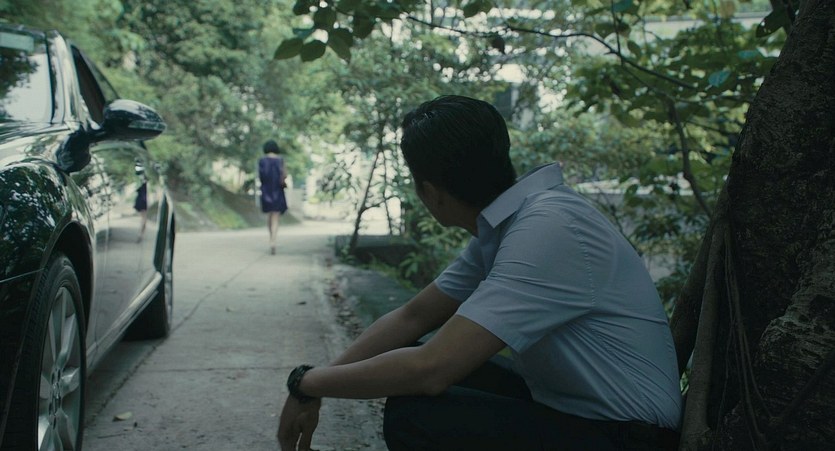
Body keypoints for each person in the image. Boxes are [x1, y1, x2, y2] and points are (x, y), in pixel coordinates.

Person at [277, 95, 682, 450]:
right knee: (417, 365)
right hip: (579, 414)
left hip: (630, 437)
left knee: (417, 415)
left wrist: (308, 383)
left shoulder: (547, 228)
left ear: (429, 192)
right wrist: (316, 385)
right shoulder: (508, 226)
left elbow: (432, 369)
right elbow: (413, 317)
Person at [258, 139, 288, 255]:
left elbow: (261, 176)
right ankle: (273, 241)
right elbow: (284, 175)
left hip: (266, 191)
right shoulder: (280, 160)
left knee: (269, 216)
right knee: (275, 217)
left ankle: (271, 238)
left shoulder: (262, 161)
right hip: (278, 191)